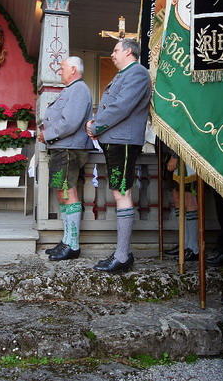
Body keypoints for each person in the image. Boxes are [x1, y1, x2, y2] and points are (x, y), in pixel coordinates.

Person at [86, 38, 151, 273]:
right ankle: (122, 253)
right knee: (118, 190)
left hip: (122, 140)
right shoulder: (125, 74)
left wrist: (96, 126)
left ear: (128, 51)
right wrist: (97, 125)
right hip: (115, 140)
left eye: (115, 50)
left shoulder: (137, 73)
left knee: (122, 191)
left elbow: (121, 107)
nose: (112, 54)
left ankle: (123, 256)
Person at [38, 56, 93, 261]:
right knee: (62, 192)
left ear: (73, 69)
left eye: (62, 69)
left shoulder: (79, 89)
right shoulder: (71, 90)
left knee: (68, 192)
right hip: (62, 148)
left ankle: (73, 245)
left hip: (69, 149)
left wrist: (47, 134)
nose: (59, 72)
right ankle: (67, 239)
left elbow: (70, 122)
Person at [163, 149, 199, 261]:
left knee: (188, 198)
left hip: (184, 156)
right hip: (169, 154)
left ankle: (193, 248)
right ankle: (184, 243)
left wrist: (175, 155)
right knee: (177, 199)